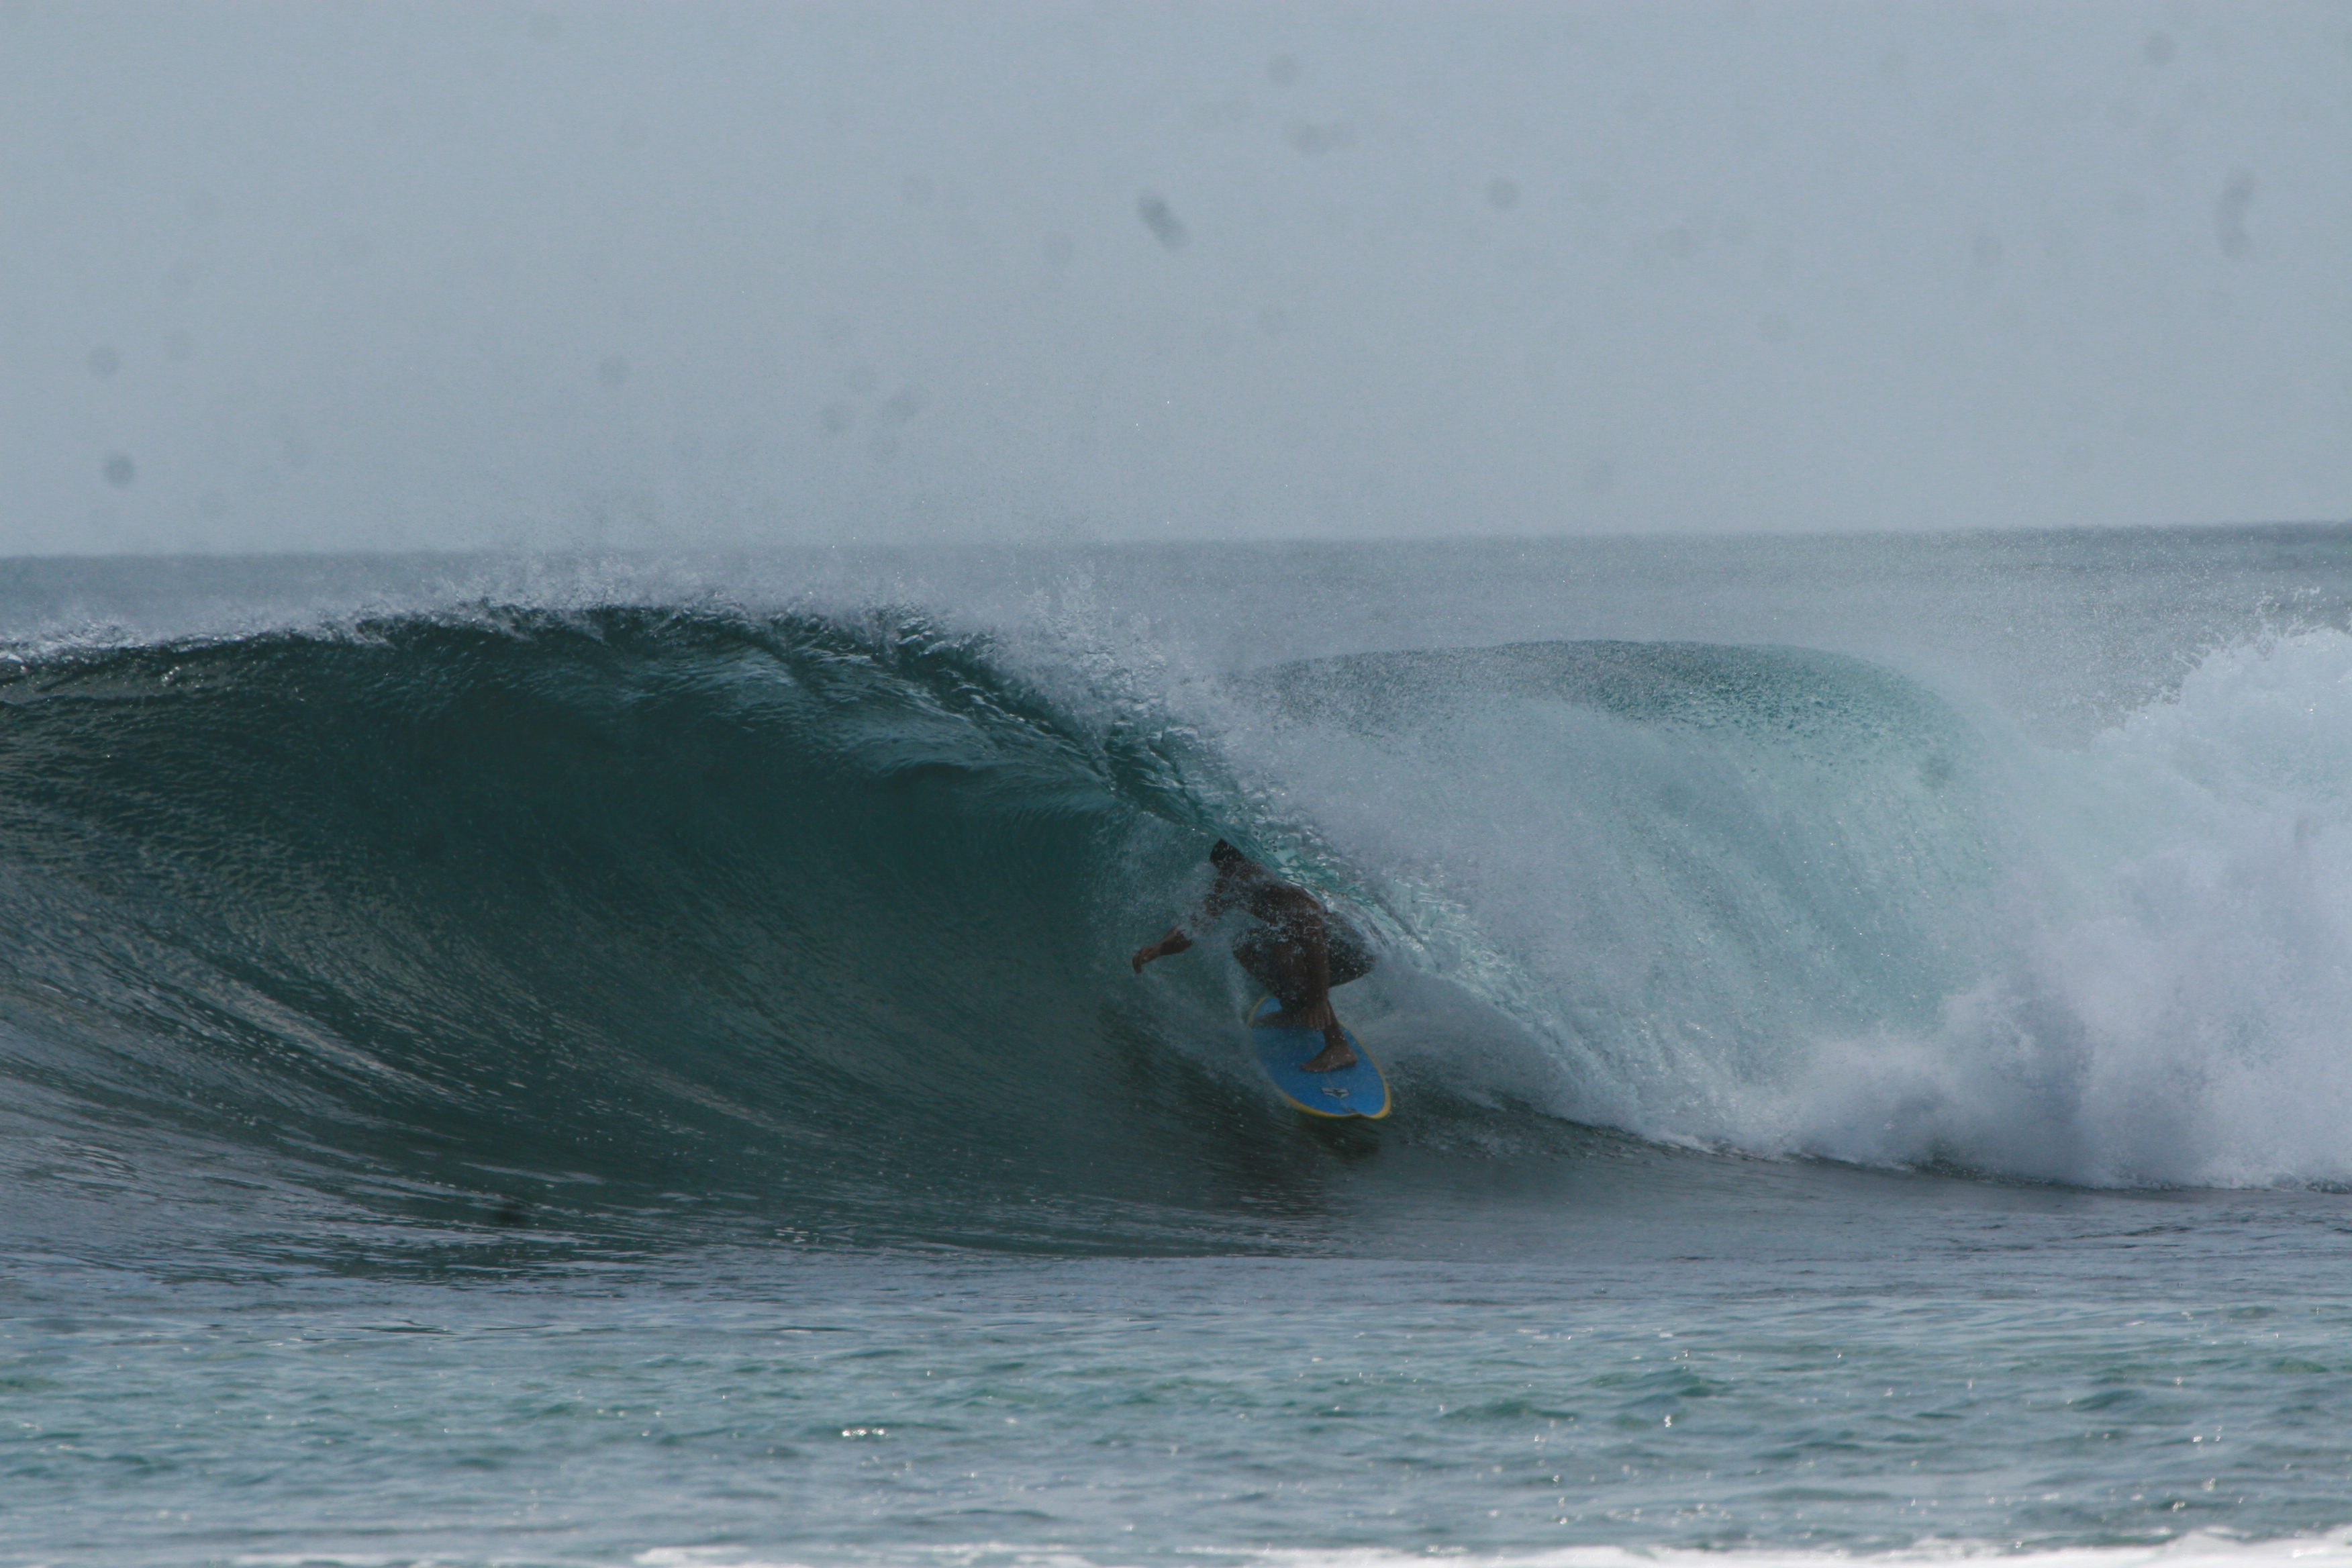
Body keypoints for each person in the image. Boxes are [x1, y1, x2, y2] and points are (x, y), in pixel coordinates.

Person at [1131, 840, 1375, 1072]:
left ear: (1252, 864)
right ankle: (1295, 1011)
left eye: (1233, 871)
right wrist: (1160, 947)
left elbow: (1315, 943)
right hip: (1318, 945)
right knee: (1246, 945)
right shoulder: (1233, 885)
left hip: (1353, 950)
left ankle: (1337, 1045)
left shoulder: (1283, 887)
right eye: (1224, 872)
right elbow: (1195, 925)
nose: (1229, 879)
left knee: (1285, 950)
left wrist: (1319, 999)